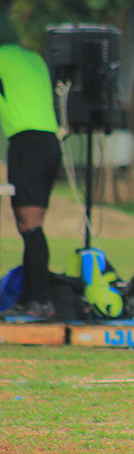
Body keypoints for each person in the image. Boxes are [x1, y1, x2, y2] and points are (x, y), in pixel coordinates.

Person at [0, 18, 61, 320]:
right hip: (49, 144)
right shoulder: (34, 58)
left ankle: (40, 301)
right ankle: (29, 298)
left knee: (30, 226)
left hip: (27, 145)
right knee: (32, 228)